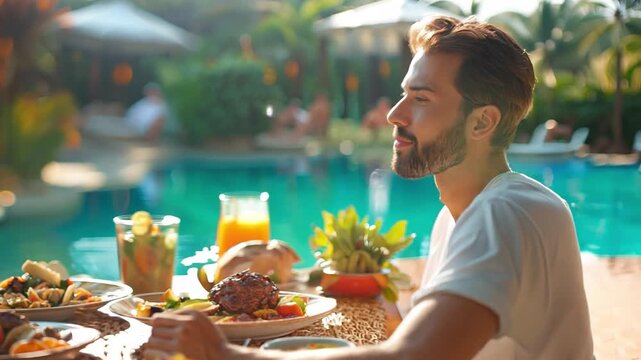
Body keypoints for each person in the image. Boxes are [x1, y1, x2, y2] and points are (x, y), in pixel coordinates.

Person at [144, 16, 593, 360]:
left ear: (482, 121)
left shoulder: (508, 211)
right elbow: (421, 336)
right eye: (404, 94)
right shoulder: (458, 217)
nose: (396, 113)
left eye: (421, 99)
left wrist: (226, 354)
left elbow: (413, 356)